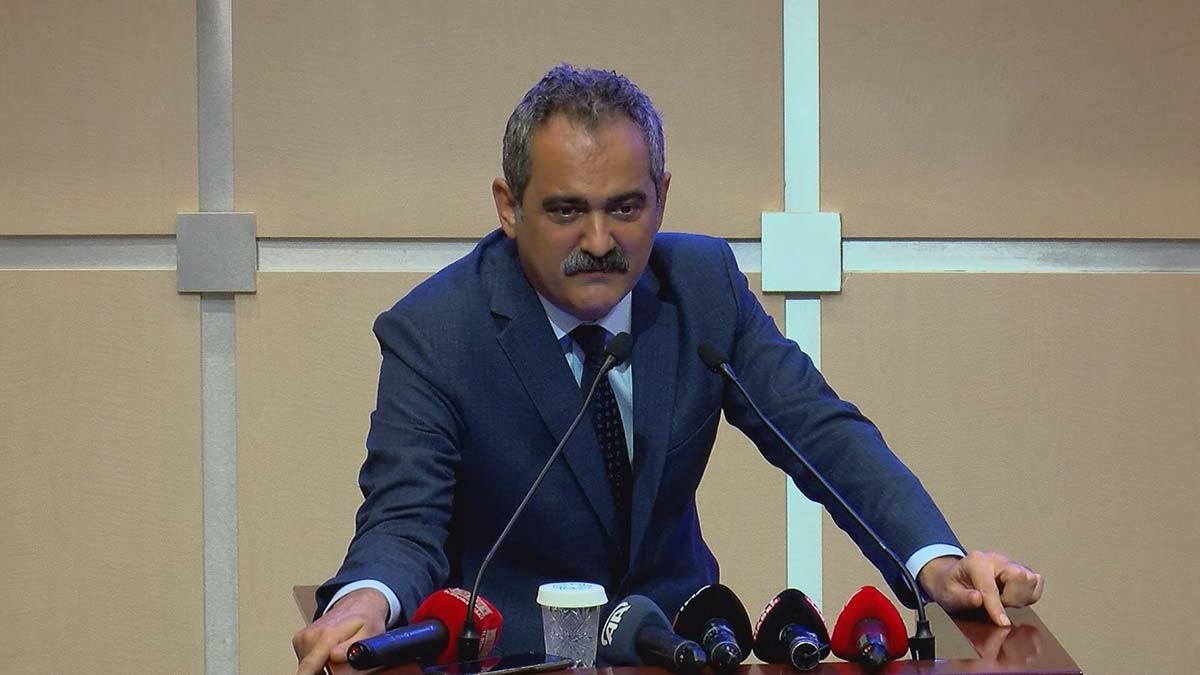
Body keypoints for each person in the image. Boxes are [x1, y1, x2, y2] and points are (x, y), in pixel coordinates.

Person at [292, 64, 1044, 675]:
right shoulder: (436, 331)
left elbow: (822, 433)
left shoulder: (702, 289)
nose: (599, 240)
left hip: (682, 648)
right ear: (509, 207)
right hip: (512, 657)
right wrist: (367, 599)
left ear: (663, 197)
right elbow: (404, 519)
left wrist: (934, 561)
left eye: (625, 207)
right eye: (566, 211)